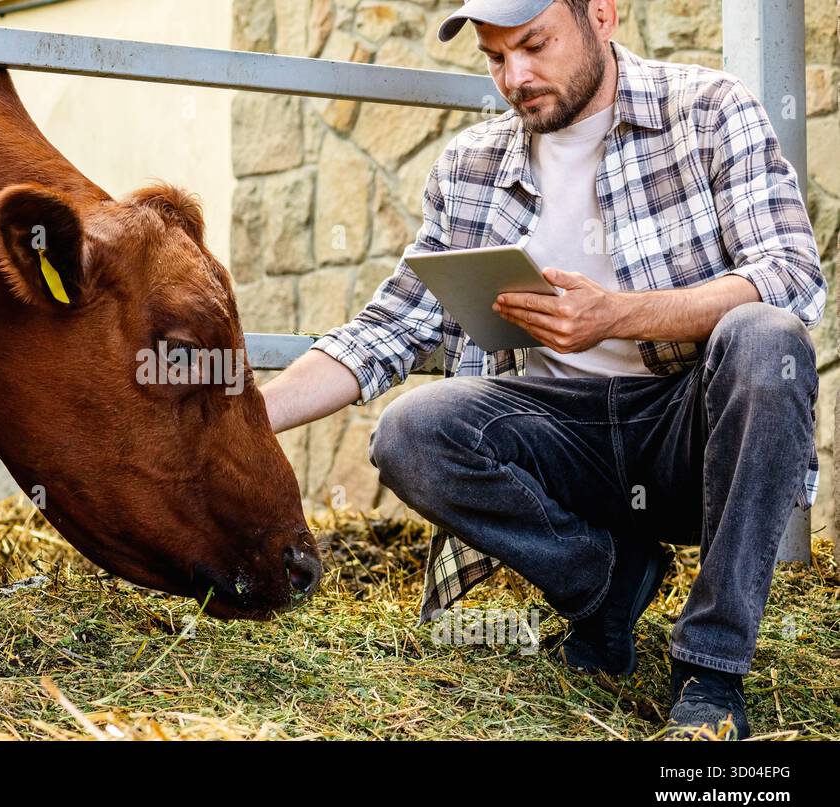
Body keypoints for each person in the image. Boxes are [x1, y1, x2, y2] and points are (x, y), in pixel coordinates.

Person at [261, 0, 826, 739]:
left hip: (687, 429)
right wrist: (242, 414)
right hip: (564, 443)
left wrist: (619, 315)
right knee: (410, 430)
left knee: (767, 338)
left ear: (603, 15)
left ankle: (710, 674)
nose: (516, 77)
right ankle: (609, 579)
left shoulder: (711, 111)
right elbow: (386, 330)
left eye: (534, 45)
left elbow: (791, 275)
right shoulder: (471, 167)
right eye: (496, 58)